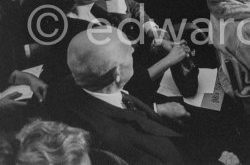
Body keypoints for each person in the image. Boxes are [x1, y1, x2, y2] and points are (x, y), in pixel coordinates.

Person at [39, 0, 195, 105]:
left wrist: (158, 43)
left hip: (137, 75)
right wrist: (170, 59)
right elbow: (128, 82)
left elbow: (127, 40)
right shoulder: (81, 34)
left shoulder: (92, 10)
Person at [44, 26, 197, 165]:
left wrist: (155, 110)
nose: (133, 54)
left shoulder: (66, 85)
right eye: (130, 54)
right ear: (117, 73)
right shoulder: (124, 144)